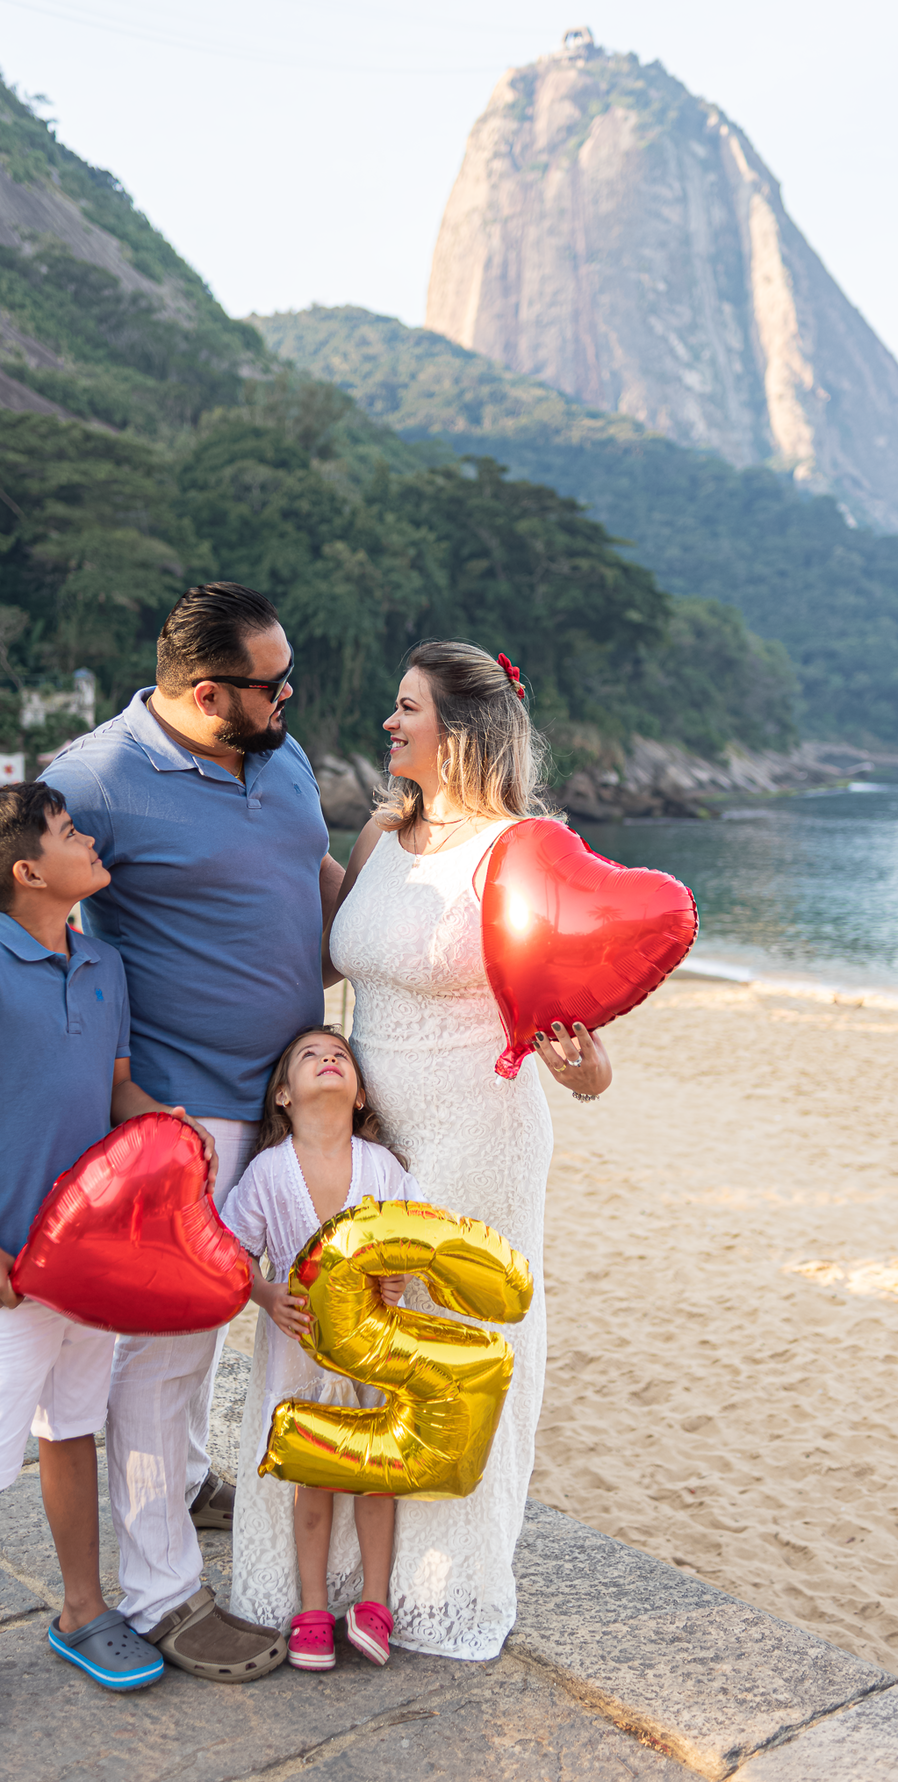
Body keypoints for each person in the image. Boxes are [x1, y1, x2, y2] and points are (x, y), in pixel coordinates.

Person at [0, 583, 342, 1681]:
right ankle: (165, 1594)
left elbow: (310, 882)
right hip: (178, 1108)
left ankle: (176, 1484)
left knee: (204, 1339)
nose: (292, 697)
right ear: (206, 691)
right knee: (165, 1355)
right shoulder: (98, 777)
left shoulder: (281, 754)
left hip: (280, 1092)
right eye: (275, 684)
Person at [0, 782, 218, 1749]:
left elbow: (116, 1093)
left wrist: (167, 1126)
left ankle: (81, 1609)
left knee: (71, 1430)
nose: (89, 837)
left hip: (89, 1268)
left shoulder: (105, 965)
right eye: (72, 831)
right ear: (30, 872)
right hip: (1, 1275)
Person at [320, 641, 613, 1662]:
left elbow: (587, 1052)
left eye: (407, 709)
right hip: (361, 1127)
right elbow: (323, 954)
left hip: (476, 1129)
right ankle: (354, 1583)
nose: (389, 723)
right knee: (354, 1343)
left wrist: (580, 1068)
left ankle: (443, 1588)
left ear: (463, 729)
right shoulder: (378, 834)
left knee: (451, 1350)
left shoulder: (525, 851)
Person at [221, 1025, 421, 1671]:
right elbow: (233, 1253)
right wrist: (266, 1295)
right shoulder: (268, 1173)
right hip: (301, 1359)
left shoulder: (383, 1169)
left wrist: (395, 1276)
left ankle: (374, 1601)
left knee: (376, 1481)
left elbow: (405, 1247)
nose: (328, 1058)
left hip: (373, 1357)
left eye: (339, 1055)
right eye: (310, 1056)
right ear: (283, 1095)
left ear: (361, 1095)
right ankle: (312, 1606)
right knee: (313, 1484)